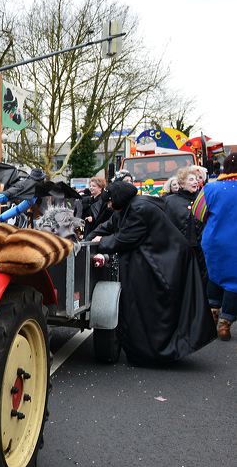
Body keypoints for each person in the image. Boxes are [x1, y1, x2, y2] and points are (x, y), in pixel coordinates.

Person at [88, 181, 214, 363]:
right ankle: (146, 350)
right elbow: (109, 226)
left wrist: (101, 241)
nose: (108, 206)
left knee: (151, 307)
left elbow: (124, 239)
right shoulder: (129, 207)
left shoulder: (139, 209)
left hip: (166, 263)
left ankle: (154, 352)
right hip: (158, 258)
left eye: (109, 202)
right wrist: (88, 239)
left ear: (118, 200)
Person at [193, 153, 237, 340]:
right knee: (234, 282)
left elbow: (198, 212)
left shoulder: (211, 188)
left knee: (214, 275)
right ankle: (225, 323)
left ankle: (212, 313)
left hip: (214, 241)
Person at [164, 167, 206, 280]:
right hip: (180, 250)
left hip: (201, 249)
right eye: (191, 179)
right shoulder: (171, 201)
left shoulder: (202, 198)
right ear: (182, 184)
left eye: (196, 179)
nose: (195, 182)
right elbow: (166, 225)